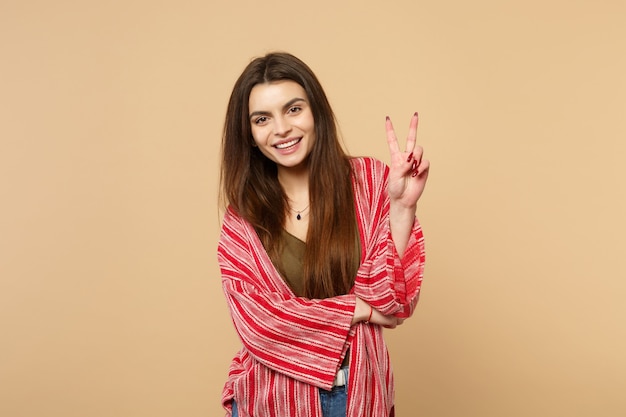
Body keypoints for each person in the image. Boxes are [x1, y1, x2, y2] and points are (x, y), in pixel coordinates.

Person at [217, 52, 429, 417]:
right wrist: (356, 309)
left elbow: (394, 303)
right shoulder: (242, 218)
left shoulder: (371, 183)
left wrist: (402, 209)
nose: (281, 129)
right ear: (250, 135)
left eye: (294, 109)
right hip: (273, 399)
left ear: (316, 112)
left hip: (362, 393)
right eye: (263, 119)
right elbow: (259, 325)